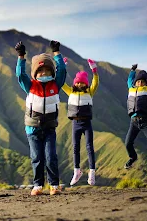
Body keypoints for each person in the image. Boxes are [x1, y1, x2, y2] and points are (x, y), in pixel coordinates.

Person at [15, 40, 66, 195]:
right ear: (35, 73)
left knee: (51, 157)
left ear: (52, 72)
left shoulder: (56, 85)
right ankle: (38, 186)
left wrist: (56, 52)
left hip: (49, 128)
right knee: (37, 157)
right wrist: (21, 56)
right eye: (40, 71)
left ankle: (54, 185)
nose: (44, 73)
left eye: (47, 71)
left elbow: (62, 70)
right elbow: (20, 74)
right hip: (32, 128)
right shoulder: (30, 86)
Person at [62, 57, 99, 186]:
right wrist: (63, 66)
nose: (79, 85)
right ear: (75, 83)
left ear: (86, 84)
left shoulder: (90, 91)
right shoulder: (70, 91)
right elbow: (60, 82)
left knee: (89, 147)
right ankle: (77, 171)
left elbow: (96, 82)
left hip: (86, 123)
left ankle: (92, 172)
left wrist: (94, 70)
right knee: (75, 148)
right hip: (75, 123)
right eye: (78, 83)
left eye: (82, 83)